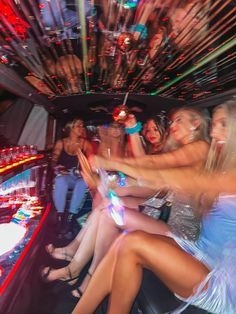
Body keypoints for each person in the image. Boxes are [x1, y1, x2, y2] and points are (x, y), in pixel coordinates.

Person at [71, 99, 236, 314]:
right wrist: (106, 178)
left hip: (219, 276)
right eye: (214, 124)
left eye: (223, 124)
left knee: (133, 242)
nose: (214, 133)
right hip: (197, 251)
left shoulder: (226, 172)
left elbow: (159, 173)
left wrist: (110, 163)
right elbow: (155, 177)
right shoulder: (219, 167)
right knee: (124, 241)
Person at [42, 107, 209, 296]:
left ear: (195, 124)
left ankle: (83, 274)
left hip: (183, 236)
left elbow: (151, 170)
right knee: (109, 206)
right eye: (173, 121)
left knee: (111, 210)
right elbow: (146, 166)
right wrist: (132, 130)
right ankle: (75, 263)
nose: (173, 125)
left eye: (179, 120)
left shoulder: (200, 147)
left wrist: (111, 164)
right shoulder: (180, 149)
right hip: (165, 215)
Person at [51, 118, 93, 236]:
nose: (81, 128)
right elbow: (53, 160)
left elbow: (92, 162)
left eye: (82, 126)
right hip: (67, 175)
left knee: (82, 183)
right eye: (78, 126)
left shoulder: (85, 143)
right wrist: (57, 167)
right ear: (71, 128)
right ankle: (60, 216)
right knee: (60, 180)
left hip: (80, 176)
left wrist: (85, 168)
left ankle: (70, 216)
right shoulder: (61, 143)